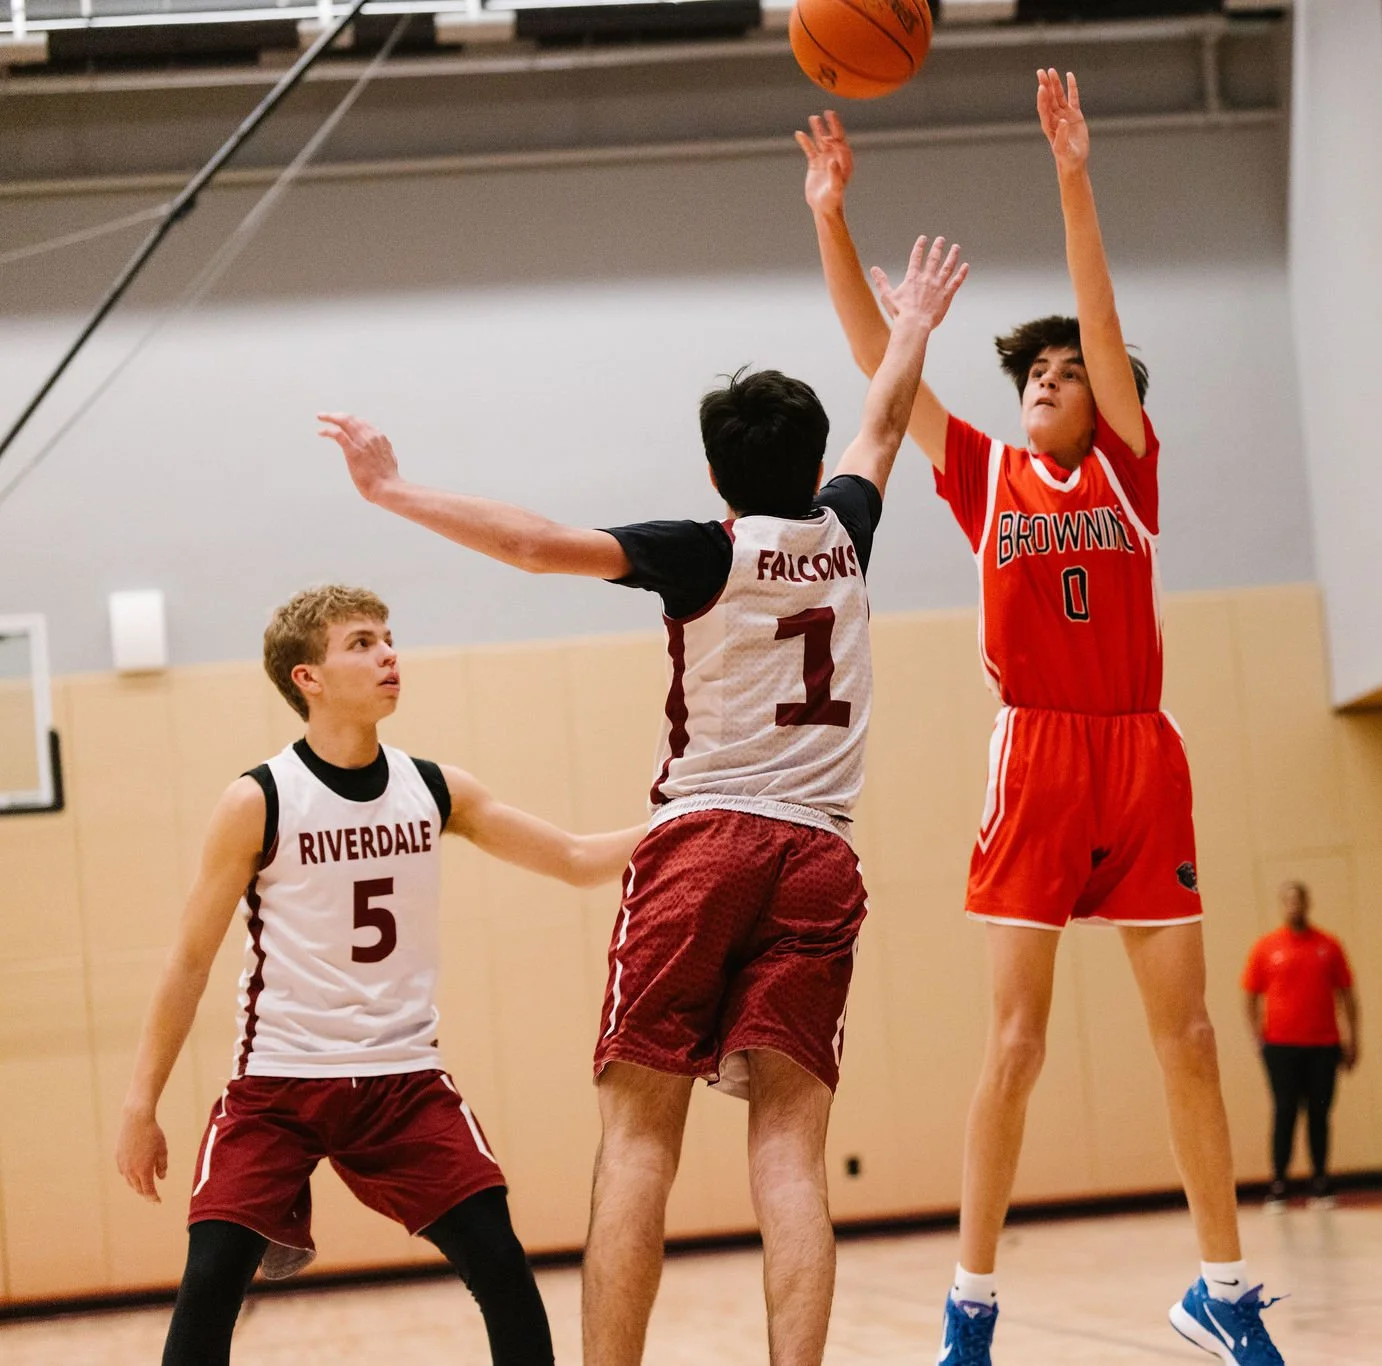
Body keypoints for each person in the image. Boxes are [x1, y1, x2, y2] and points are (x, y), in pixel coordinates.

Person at [320, 234, 966, 1366]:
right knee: (791, 1155)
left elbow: (533, 545)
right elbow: (882, 421)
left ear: (716, 478)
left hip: (702, 842)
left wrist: (391, 489)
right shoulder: (847, 532)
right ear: (814, 463)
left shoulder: (704, 551)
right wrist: (909, 324)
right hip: (820, 856)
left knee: (637, 1141)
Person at [799, 76, 1286, 1366]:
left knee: (1187, 1036)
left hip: (1140, 753)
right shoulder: (986, 475)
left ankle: (1221, 1290)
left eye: (1068, 374)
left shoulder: (1126, 469)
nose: (1046, 382)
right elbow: (880, 365)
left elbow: (1100, 316)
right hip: (1037, 758)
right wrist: (830, 218)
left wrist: (1073, 176)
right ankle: (969, 1308)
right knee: (1013, 1042)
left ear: (1107, 400)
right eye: (1035, 372)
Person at [115, 586, 643, 1366]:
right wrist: (141, 1103)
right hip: (280, 1082)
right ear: (308, 678)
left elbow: (572, 858)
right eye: (362, 643)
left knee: (501, 1266)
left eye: (388, 638)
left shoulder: (433, 788)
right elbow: (189, 960)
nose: (389, 654)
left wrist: (688, 819)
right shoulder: (259, 800)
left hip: (403, 1083)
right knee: (210, 1284)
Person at [1242, 882, 1359, 1210]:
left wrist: (1352, 1038)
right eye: (1289, 901)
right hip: (1281, 1046)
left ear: (1308, 903)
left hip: (1323, 1044)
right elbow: (1250, 995)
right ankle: (1279, 1182)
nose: (1294, 906)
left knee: (1319, 1112)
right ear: (1282, 905)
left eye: (1299, 900)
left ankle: (1320, 1181)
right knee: (1285, 1111)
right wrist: (1256, 1036)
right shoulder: (1267, 947)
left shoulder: (1328, 945)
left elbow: (1347, 994)